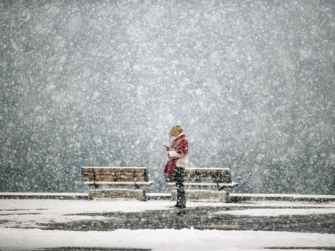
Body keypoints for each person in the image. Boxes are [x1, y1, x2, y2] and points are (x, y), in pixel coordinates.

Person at [164, 125, 188, 208]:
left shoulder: (182, 140)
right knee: (179, 184)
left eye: (173, 134)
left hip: (179, 164)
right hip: (178, 164)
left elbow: (181, 153)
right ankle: (180, 202)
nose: (172, 136)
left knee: (179, 184)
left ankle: (181, 203)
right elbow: (178, 151)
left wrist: (170, 153)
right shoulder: (180, 140)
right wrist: (170, 150)